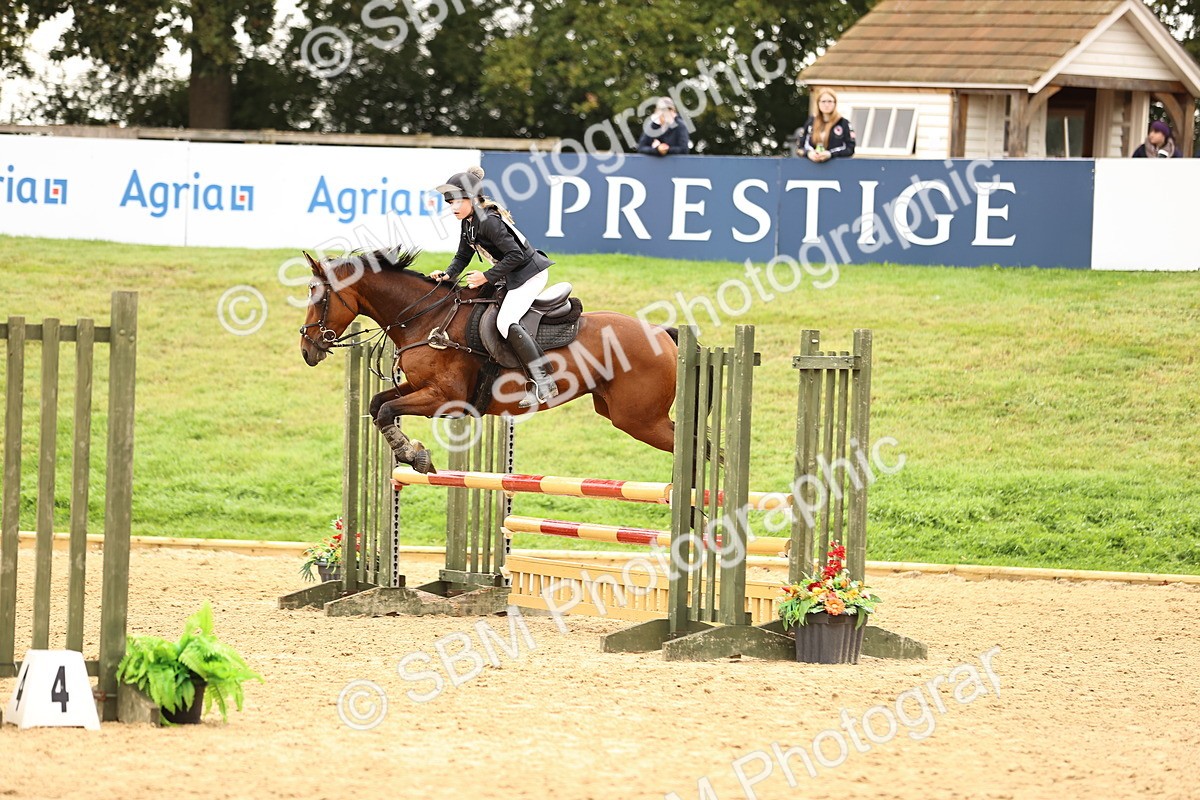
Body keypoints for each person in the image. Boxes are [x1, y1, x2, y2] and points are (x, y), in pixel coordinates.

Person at [430, 166, 559, 408]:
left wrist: (486, 277)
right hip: (510, 274)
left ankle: (544, 380)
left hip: (529, 274)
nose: (453, 208)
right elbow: (462, 256)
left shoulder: (488, 221)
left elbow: (516, 256)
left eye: (458, 201)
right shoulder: (469, 222)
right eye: (450, 203)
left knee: (505, 321)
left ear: (472, 198)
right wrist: (447, 274)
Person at [796, 89, 856, 162]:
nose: (826, 105)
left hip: (836, 166)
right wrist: (809, 153)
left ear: (835, 103)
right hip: (813, 166)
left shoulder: (843, 123)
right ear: (818, 103)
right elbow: (800, 147)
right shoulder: (811, 122)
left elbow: (850, 149)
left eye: (830, 101)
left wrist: (830, 154)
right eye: (823, 101)